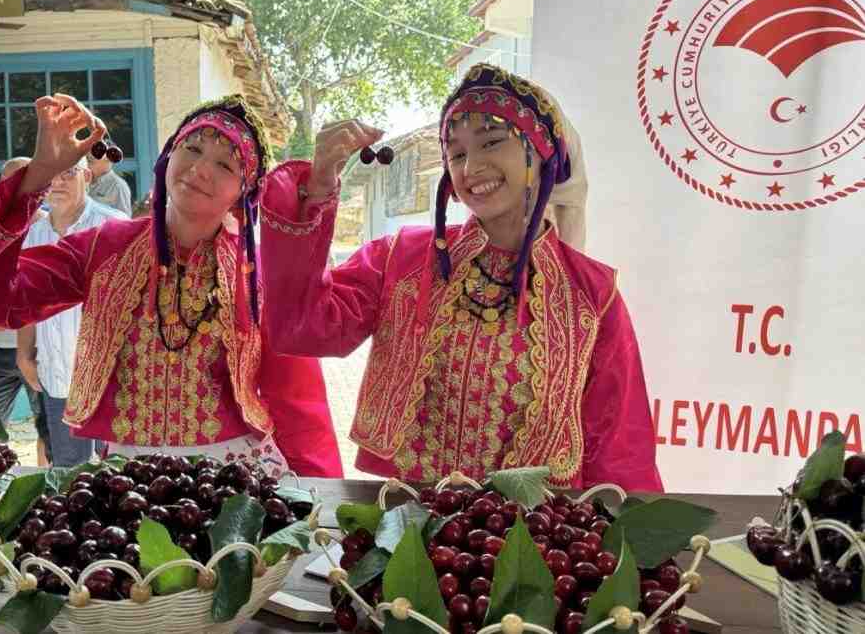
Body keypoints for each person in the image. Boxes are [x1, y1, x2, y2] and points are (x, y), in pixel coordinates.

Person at [258, 64, 662, 490]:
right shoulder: (401, 259)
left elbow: (620, 450)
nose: (472, 167)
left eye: (492, 142)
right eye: (456, 154)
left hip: (534, 527)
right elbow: (303, 326)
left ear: (542, 151)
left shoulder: (591, 295)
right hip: (412, 517)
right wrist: (317, 188)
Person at [0, 94, 343, 477]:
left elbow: (297, 400)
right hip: (130, 479)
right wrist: (38, 175)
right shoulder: (105, 247)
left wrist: (322, 498)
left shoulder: (256, 273)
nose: (201, 169)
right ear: (168, 156)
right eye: (193, 148)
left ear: (245, 191)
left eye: (225, 165)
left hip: (236, 479)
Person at [6, 157, 127, 466]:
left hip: (111, 379)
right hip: (57, 373)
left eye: (68, 173)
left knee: (118, 471)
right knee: (70, 473)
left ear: (87, 176)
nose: (57, 182)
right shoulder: (33, 236)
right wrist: (23, 353)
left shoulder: (114, 227)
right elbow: (27, 300)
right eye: (50, 174)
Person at [0, 157, 49, 465]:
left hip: (41, 349)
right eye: (9, 183)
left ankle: (46, 484)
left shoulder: (52, 228)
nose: (16, 190)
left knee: (48, 429)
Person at [86, 150, 133, 216]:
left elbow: (124, 218)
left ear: (108, 159)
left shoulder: (118, 186)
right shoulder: (83, 181)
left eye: (90, 161)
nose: (87, 165)